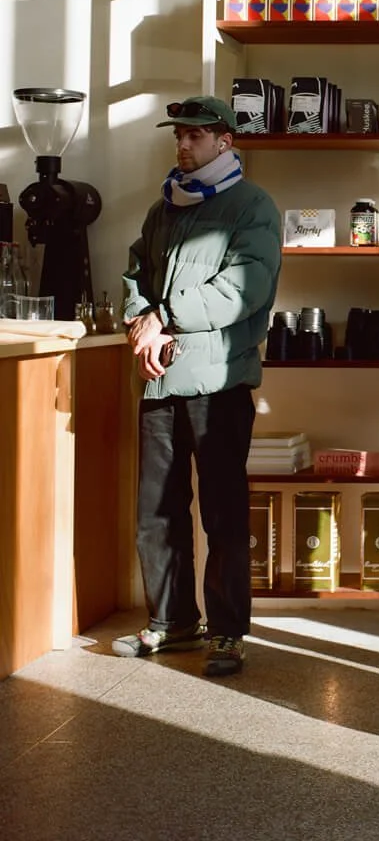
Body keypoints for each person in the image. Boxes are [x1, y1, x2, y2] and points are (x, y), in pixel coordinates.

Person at [113, 96, 281, 677]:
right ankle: (171, 622)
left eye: (195, 136)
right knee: (156, 511)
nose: (183, 146)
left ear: (224, 142)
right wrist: (139, 318)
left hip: (218, 383)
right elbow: (136, 270)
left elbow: (243, 289)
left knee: (223, 512)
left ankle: (228, 631)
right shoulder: (166, 207)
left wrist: (164, 317)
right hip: (161, 383)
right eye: (178, 136)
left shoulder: (253, 206)